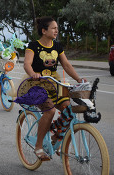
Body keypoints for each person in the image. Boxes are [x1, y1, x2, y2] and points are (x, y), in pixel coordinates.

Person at [23, 16, 86, 161]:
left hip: (55, 83)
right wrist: (33, 74)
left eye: (57, 28)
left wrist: (78, 79)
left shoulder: (57, 46)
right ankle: (38, 146)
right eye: (53, 28)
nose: (56, 30)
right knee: (50, 110)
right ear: (44, 31)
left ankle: (56, 136)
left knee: (69, 109)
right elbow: (27, 64)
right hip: (37, 84)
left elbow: (66, 65)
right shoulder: (33, 45)